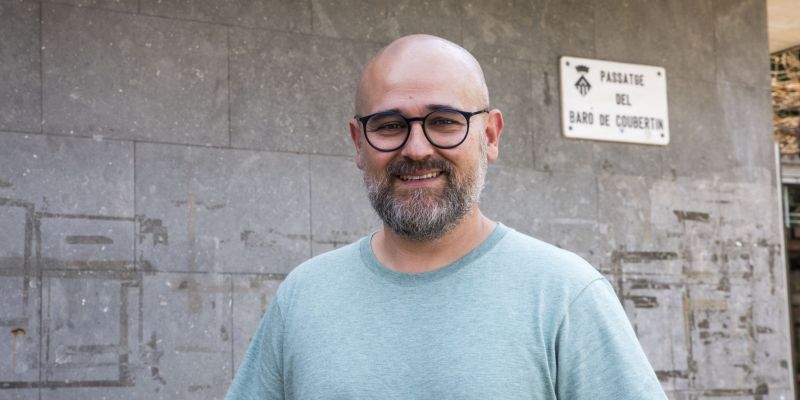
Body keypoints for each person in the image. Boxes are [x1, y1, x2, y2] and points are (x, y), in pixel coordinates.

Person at [226, 34, 667, 399]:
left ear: (490, 136)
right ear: (358, 144)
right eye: (388, 125)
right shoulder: (304, 297)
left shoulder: (566, 296)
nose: (416, 149)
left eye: (444, 121)